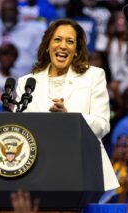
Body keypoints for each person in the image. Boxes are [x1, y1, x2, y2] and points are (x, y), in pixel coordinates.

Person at [15, 18, 119, 191]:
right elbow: (20, 129)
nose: (63, 46)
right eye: (57, 39)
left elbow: (102, 125)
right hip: (37, 172)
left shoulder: (94, 76)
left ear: (76, 51)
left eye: (70, 42)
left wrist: (69, 119)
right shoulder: (26, 82)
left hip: (82, 170)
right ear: (48, 46)